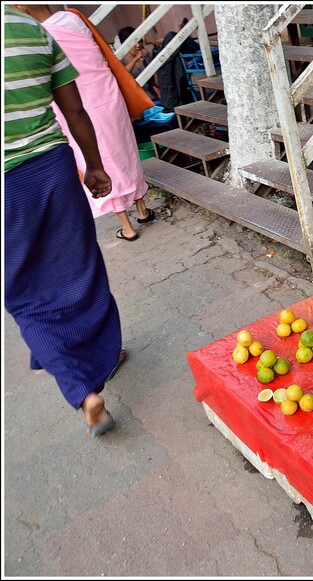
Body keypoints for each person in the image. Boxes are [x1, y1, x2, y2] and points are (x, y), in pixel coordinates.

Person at [4, 5, 125, 437]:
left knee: (25, 295)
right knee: (80, 269)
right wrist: (95, 165)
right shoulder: (31, 30)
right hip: (53, 168)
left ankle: (82, 390)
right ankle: (105, 356)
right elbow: (75, 112)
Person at [15, 5, 156, 242]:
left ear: (22, 7)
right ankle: (142, 210)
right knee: (125, 152)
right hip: (109, 96)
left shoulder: (37, 35)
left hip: (75, 106)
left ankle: (127, 227)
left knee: (97, 159)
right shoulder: (73, 18)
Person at [117, 25, 158, 101]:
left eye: (139, 41)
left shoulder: (146, 56)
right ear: (125, 45)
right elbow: (123, 76)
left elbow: (156, 82)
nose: (138, 45)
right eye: (133, 43)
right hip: (136, 102)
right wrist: (136, 58)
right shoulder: (120, 61)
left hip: (153, 98)